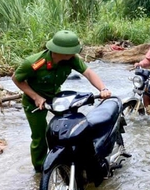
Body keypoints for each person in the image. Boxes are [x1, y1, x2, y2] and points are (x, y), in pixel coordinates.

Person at [12, 30, 112, 173]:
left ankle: (72, 159)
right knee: (39, 136)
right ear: (62, 52)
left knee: (70, 126)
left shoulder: (72, 59)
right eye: (72, 51)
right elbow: (16, 79)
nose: (74, 53)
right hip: (34, 100)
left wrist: (103, 88)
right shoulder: (34, 63)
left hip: (56, 98)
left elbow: (88, 73)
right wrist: (36, 97)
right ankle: (41, 170)